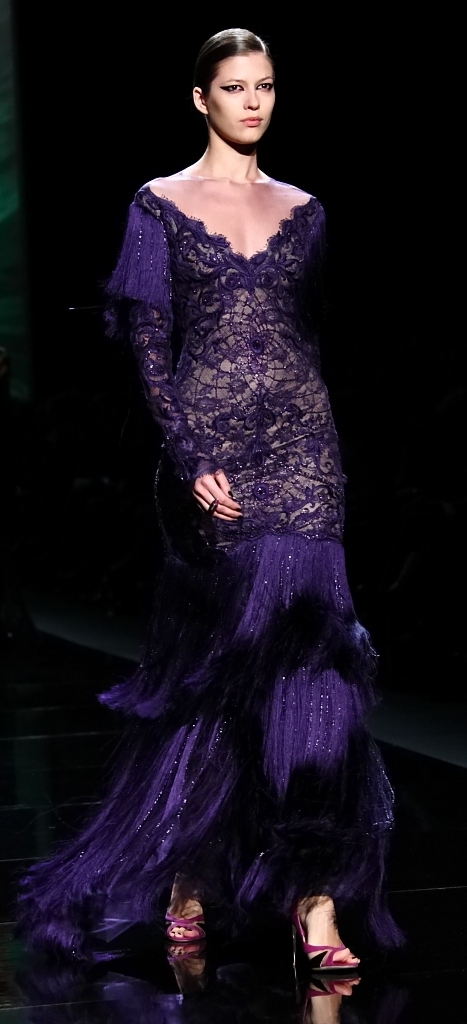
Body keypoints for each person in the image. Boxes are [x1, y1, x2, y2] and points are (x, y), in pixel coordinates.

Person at [17, 28, 403, 966]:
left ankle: (315, 906)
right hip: (211, 459)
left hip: (305, 456)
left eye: (265, 86)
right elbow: (151, 345)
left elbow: (306, 335)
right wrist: (190, 457)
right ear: (201, 98)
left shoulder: (307, 210)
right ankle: (187, 876)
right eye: (234, 87)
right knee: (218, 675)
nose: (253, 102)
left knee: (314, 677)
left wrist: (315, 443)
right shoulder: (158, 204)